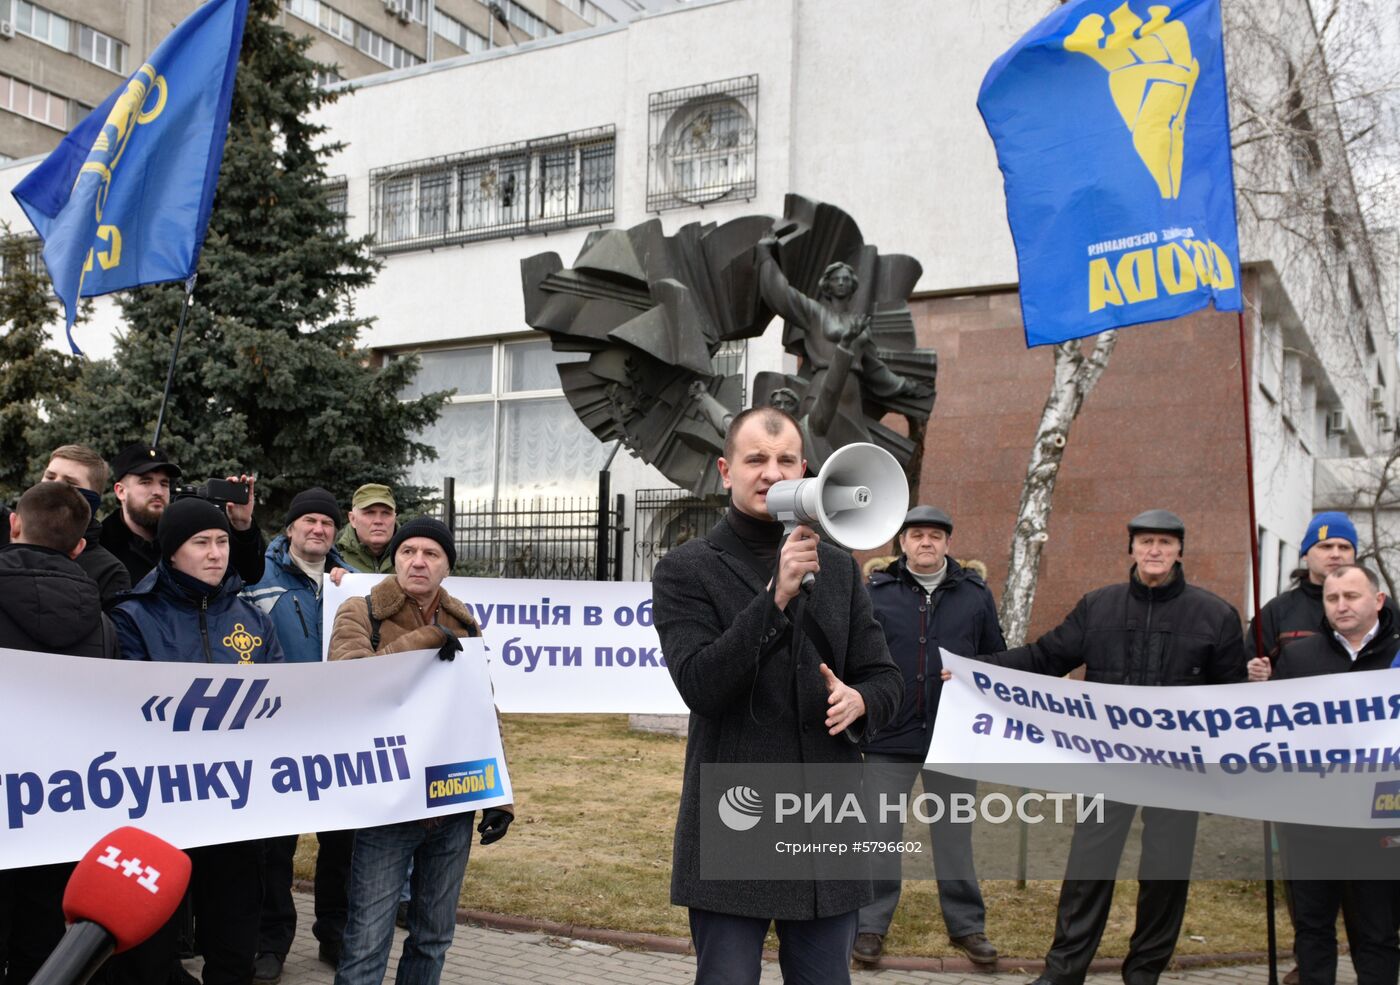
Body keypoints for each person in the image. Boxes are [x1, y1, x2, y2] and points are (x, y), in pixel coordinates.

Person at [651, 405, 903, 984]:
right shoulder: (685, 571)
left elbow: (886, 678)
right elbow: (701, 685)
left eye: (785, 459)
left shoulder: (840, 567)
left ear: (805, 470)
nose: (771, 471)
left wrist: (862, 701)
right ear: (725, 470)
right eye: (755, 459)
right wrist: (776, 597)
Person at [977, 509, 1246, 985]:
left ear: (1180, 550)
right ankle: (1064, 971)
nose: (1155, 551)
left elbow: (1234, 702)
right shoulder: (1099, 607)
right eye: (1146, 542)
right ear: (1132, 549)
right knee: (1087, 869)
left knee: (1164, 875)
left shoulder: (1215, 616)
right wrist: (979, 669)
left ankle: (1144, 973)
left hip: (1179, 771)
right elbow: (1045, 657)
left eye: (1165, 542)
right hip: (1106, 764)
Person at [328, 516, 513, 985]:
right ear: (396, 558)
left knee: (432, 939)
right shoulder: (362, 611)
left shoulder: (464, 620)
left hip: (451, 804)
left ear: (446, 566)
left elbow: (479, 714)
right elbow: (348, 681)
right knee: (367, 943)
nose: (418, 561)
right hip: (387, 803)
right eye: (408, 551)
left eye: (431, 554)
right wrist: (425, 641)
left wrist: (498, 797)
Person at [106, 496, 283, 985]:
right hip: (161, 808)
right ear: (171, 552)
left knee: (233, 943)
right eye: (200, 543)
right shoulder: (132, 618)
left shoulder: (253, 620)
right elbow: (128, 711)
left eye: (223, 541)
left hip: (235, 808)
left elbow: (282, 704)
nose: (215, 553)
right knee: (151, 950)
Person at [853, 505, 1004, 967]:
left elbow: (995, 659)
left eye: (935, 536)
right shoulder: (876, 592)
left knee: (954, 835)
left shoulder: (975, 595)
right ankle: (870, 926)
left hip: (953, 739)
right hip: (888, 735)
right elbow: (855, 655)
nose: (926, 542)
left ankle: (967, 927)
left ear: (948, 544)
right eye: (917, 535)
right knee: (880, 834)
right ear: (902, 543)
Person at [1252, 565, 1400, 985]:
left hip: (1380, 821)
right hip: (1311, 822)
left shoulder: (1397, 656)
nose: (1341, 605)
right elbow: (1272, 731)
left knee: (1377, 933)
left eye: (1351, 596)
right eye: (1333, 598)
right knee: (1312, 931)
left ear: (1377, 600)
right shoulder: (1299, 658)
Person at [0, 481, 119, 984]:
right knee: (41, 952)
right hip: (56, 813)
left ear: (13, 525)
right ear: (78, 547)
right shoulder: (105, 625)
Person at [243, 487, 352, 983]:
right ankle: (271, 943)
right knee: (274, 847)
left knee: (340, 843)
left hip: (337, 731)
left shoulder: (350, 582)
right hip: (277, 731)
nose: (318, 529)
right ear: (289, 528)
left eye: (327, 523)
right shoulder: (255, 577)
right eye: (308, 521)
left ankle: (335, 934)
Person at [100, 442, 266, 587]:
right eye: (146, 482)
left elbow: (248, 575)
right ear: (120, 491)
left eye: (164, 483)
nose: (158, 491)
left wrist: (242, 524)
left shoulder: (186, 535)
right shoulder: (101, 544)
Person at [41, 443, 131, 606]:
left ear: (92, 498)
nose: (55, 486)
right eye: (50, 477)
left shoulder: (109, 572)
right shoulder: (10, 543)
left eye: (70, 482)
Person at [335, 483, 398, 574]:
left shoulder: (414, 558)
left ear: (394, 518)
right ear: (353, 519)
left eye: (386, 513)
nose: (378, 521)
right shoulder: (332, 557)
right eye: (369, 513)